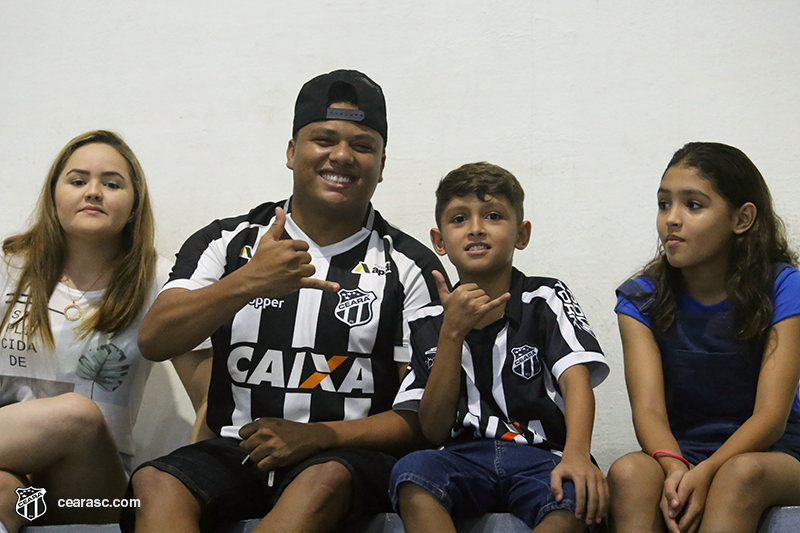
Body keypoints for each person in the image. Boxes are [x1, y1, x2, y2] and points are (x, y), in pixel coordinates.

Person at [125, 69, 444, 533]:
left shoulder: (410, 264)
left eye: (362, 145)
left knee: (322, 481)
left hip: (346, 456)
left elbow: (422, 418)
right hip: (238, 448)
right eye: (324, 139)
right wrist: (248, 282)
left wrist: (320, 435)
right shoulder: (227, 242)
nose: (342, 155)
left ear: (381, 163)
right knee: (153, 482)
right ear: (292, 152)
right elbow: (155, 339)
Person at [0, 130, 211, 533]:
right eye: (78, 181)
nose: (93, 192)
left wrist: (191, 486)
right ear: (53, 197)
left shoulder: (160, 280)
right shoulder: (10, 266)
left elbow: (210, 396)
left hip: (92, 491)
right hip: (21, 481)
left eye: (112, 184)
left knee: (77, 415)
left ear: (134, 205)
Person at [389, 162, 610, 533]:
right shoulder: (426, 321)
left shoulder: (546, 298)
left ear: (521, 234)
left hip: (543, 455)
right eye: (459, 219)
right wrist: (451, 334)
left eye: (493, 216)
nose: (476, 228)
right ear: (439, 241)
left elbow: (576, 381)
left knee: (578, 496)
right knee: (411, 473)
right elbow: (433, 429)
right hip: (461, 456)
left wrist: (576, 454)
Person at [607, 142, 800, 533]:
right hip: (682, 451)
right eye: (664, 204)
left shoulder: (784, 285)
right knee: (628, 472)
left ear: (741, 218)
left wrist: (709, 471)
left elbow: (771, 416)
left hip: (773, 454)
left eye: (693, 205)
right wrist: (676, 468)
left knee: (739, 474)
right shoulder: (639, 298)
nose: (671, 220)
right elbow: (648, 411)